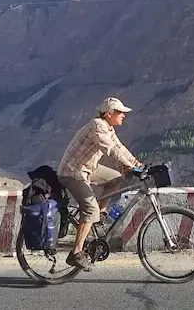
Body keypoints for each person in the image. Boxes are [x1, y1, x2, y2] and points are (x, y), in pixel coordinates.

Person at [57, 97, 144, 270]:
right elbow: (109, 149)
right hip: (72, 172)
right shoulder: (97, 126)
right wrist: (129, 167)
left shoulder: (108, 127)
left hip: (88, 169)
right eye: (120, 113)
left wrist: (137, 164)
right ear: (109, 113)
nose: (124, 116)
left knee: (115, 178)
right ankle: (76, 253)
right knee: (90, 209)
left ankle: (99, 216)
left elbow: (119, 147)